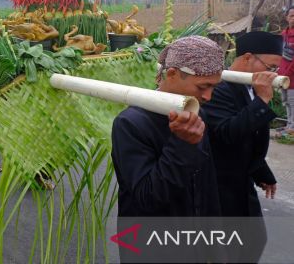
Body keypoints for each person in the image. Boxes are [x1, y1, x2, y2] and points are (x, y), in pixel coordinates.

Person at [111, 36, 224, 217]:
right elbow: (147, 198)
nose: (208, 96)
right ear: (172, 74)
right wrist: (183, 144)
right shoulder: (130, 123)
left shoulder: (196, 112)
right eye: (203, 86)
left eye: (214, 87)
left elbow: (206, 183)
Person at [202, 31, 282, 262]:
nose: (272, 74)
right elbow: (229, 133)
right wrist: (263, 101)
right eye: (270, 66)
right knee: (228, 250)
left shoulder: (250, 87)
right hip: (220, 184)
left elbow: (251, 138)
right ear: (248, 57)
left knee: (254, 240)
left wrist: (261, 172)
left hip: (242, 179)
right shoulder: (218, 87)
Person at [278, 6, 294, 133]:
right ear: (287, 18)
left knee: (293, 101)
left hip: (292, 77)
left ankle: (292, 127)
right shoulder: (283, 35)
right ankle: (289, 125)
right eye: (292, 16)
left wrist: (288, 73)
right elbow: (278, 56)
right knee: (286, 101)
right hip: (282, 76)